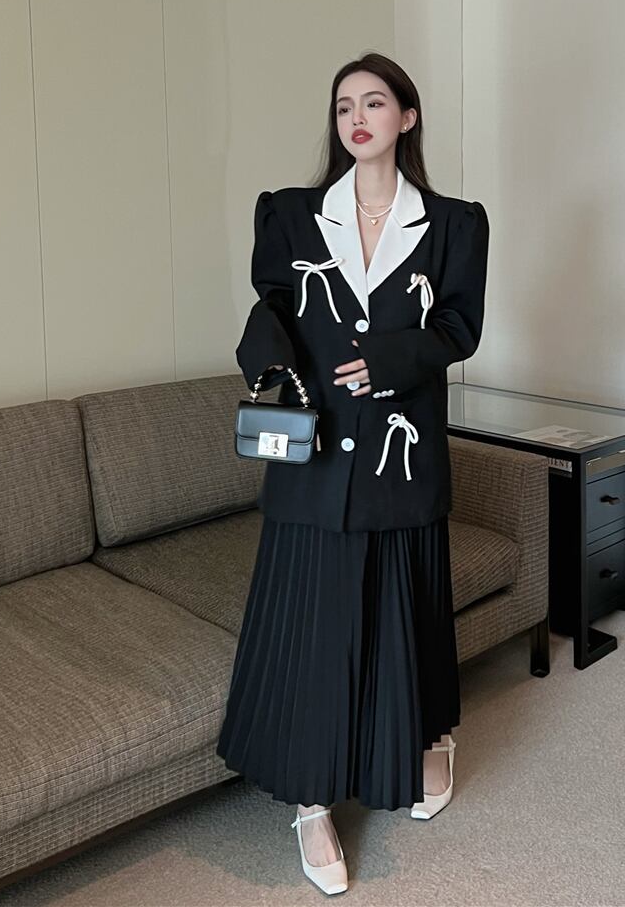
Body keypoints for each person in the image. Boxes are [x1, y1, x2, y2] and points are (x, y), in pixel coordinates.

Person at [216, 51, 489, 895]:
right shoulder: (291, 213)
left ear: (407, 117)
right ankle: (310, 805)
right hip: (315, 458)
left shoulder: (454, 224)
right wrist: (267, 362)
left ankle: (428, 734)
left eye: (374, 103)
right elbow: (272, 303)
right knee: (314, 629)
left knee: (407, 611)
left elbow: (459, 327)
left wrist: (392, 359)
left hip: (401, 454)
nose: (357, 118)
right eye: (344, 106)